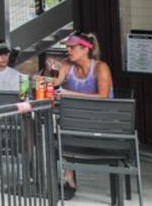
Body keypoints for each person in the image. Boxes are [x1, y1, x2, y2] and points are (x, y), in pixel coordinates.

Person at [51, 32, 113, 198]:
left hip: (101, 125)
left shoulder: (101, 67)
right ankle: (66, 177)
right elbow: (55, 83)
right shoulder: (66, 64)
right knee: (56, 131)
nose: (68, 50)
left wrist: (69, 94)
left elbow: (103, 96)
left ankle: (68, 179)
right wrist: (48, 73)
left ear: (85, 49)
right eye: (67, 47)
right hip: (75, 122)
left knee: (61, 130)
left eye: (72, 47)